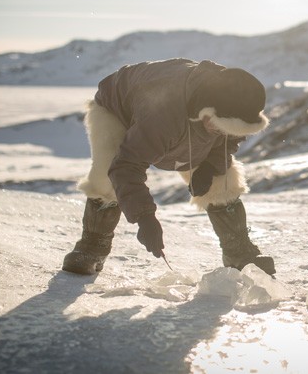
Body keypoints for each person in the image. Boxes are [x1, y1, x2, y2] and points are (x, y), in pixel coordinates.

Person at [62, 58, 276, 276]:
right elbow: (127, 166)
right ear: (207, 111)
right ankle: (91, 248)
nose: (224, 133)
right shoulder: (162, 112)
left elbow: (229, 139)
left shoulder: (234, 100)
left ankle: (238, 252)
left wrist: (210, 168)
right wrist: (145, 217)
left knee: (223, 182)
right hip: (117, 110)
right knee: (107, 178)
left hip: (176, 120)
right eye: (221, 127)